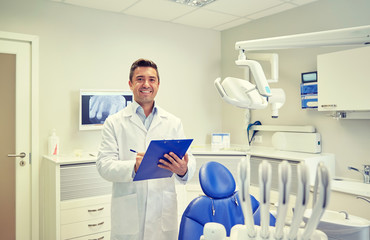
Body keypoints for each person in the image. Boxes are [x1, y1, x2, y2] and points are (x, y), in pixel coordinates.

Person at [96, 58, 196, 240]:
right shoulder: (115, 122)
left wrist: (183, 169)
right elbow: (104, 165)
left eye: (151, 79)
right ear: (130, 84)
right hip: (128, 214)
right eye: (140, 79)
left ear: (158, 84)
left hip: (162, 212)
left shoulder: (173, 122)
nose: (146, 84)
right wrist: (133, 167)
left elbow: (189, 159)